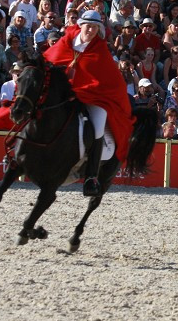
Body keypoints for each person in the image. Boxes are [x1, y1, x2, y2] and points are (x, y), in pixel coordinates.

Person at [42, 10, 134, 196]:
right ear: (80, 25)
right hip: (64, 94)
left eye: (95, 27)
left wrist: (82, 90)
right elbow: (50, 61)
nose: (91, 30)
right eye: (88, 26)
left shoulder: (99, 48)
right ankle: (15, 150)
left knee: (98, 128)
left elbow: (106, 80)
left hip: (93, 97)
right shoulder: (67, 41)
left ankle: (91, 177)